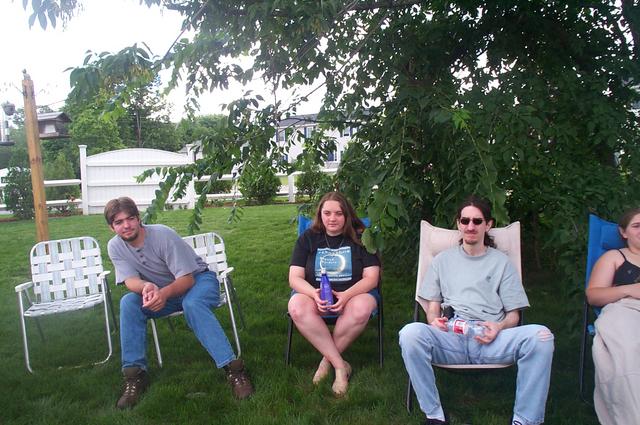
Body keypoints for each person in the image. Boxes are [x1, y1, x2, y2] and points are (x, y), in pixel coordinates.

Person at [399, 195, 554, 425]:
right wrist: (434, 321)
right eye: (465, 221)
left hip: (491, 339)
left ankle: (525, 420)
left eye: (477, 221)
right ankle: (435, 415)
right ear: (458, 224)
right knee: (409, 334)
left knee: (541, 337)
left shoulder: (501, 262)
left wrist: (499, 326)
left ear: (488, 225)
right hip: (451, 337)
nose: (470, 226)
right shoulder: (442, 260)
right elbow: (432, 307)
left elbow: (514, 315)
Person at [104, 197, 254, 409]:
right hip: (164, 291)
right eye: (119, 222)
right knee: (129, 302)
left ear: (139, 219)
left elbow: (187, 279)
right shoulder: (115, 246)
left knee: (192, 304)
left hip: (198, 281)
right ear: (112, 227)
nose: (126, 225)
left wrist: (162, 294)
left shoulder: (162, 235)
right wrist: (147, 287)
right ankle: (134, 376)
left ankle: (234, 370)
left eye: (130, 219)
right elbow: (130, 280)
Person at [288, 191, 381, 396]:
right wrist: (313, 293)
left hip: (355, 294)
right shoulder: (308, 238)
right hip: (316, 296)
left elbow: (372, 278)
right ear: (320, 214)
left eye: (338, 213)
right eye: (327, 213)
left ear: (347, 215)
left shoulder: (361, 237)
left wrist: (346, 295)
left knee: (362, 307)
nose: (332, 218)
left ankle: (325, 362)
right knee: (296, 307)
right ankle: (340, 366)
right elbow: (294, 278)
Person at [586, 208, 640, 425]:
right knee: (629, 348)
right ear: (623, 232)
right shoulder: (615, 257)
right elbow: (593, 295)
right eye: (637, 226)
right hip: (625, 311)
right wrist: (629, 290)